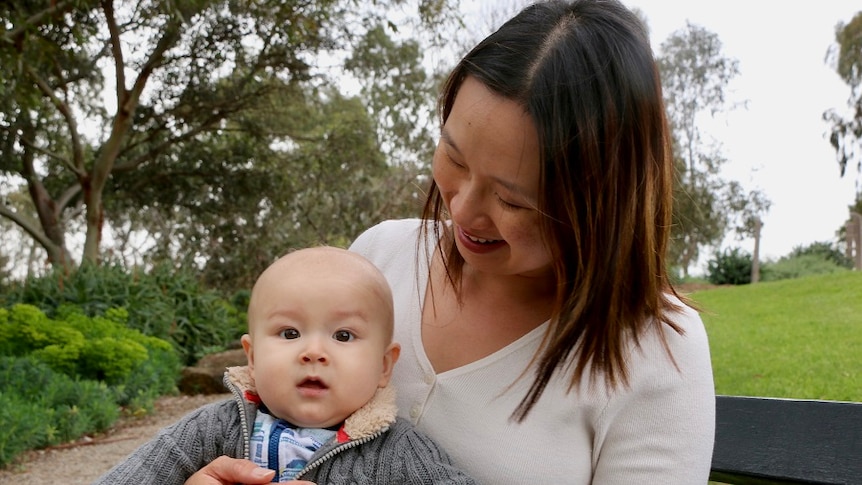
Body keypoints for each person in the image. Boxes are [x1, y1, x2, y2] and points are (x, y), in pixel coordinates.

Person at [184, 0, 716, 483]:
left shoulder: (654, 349)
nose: (461, 209)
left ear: (604, 203)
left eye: (513, 200)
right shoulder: (379, 258)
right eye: (455, 158)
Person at [93, 246, 476, 484]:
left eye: (343, 336)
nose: (312, 352)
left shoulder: (398, 451)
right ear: (253, 358)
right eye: (289, 333)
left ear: (382, 367)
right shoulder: (213, 428)